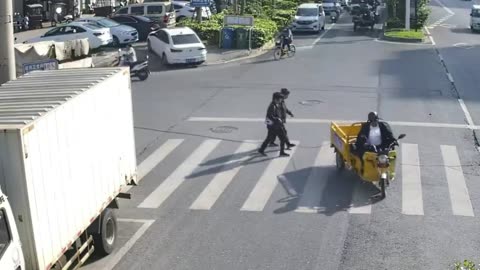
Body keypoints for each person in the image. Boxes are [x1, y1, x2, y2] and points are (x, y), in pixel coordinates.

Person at [259, 92, 289, 157]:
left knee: (282, 137)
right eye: (280, 99)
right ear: (276, 99)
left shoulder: (276, 104)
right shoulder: (272, 106)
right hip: (273, 126)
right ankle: (261, 150)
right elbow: (270, 116)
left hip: (277, 125)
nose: (281, 100)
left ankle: (281, 152)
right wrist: (277, 119)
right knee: (270, 138)